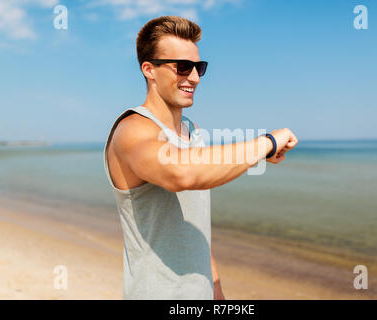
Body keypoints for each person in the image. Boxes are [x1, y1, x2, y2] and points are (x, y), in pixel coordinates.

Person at [103, 16, 298, 300]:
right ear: (149, 70)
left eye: (198, 67)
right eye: (182, 67)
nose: (193, 77)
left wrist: (216, 289)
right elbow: (182, 174)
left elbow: (193, 226)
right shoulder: (131, 130)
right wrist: (266, 143)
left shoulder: (192, 131)